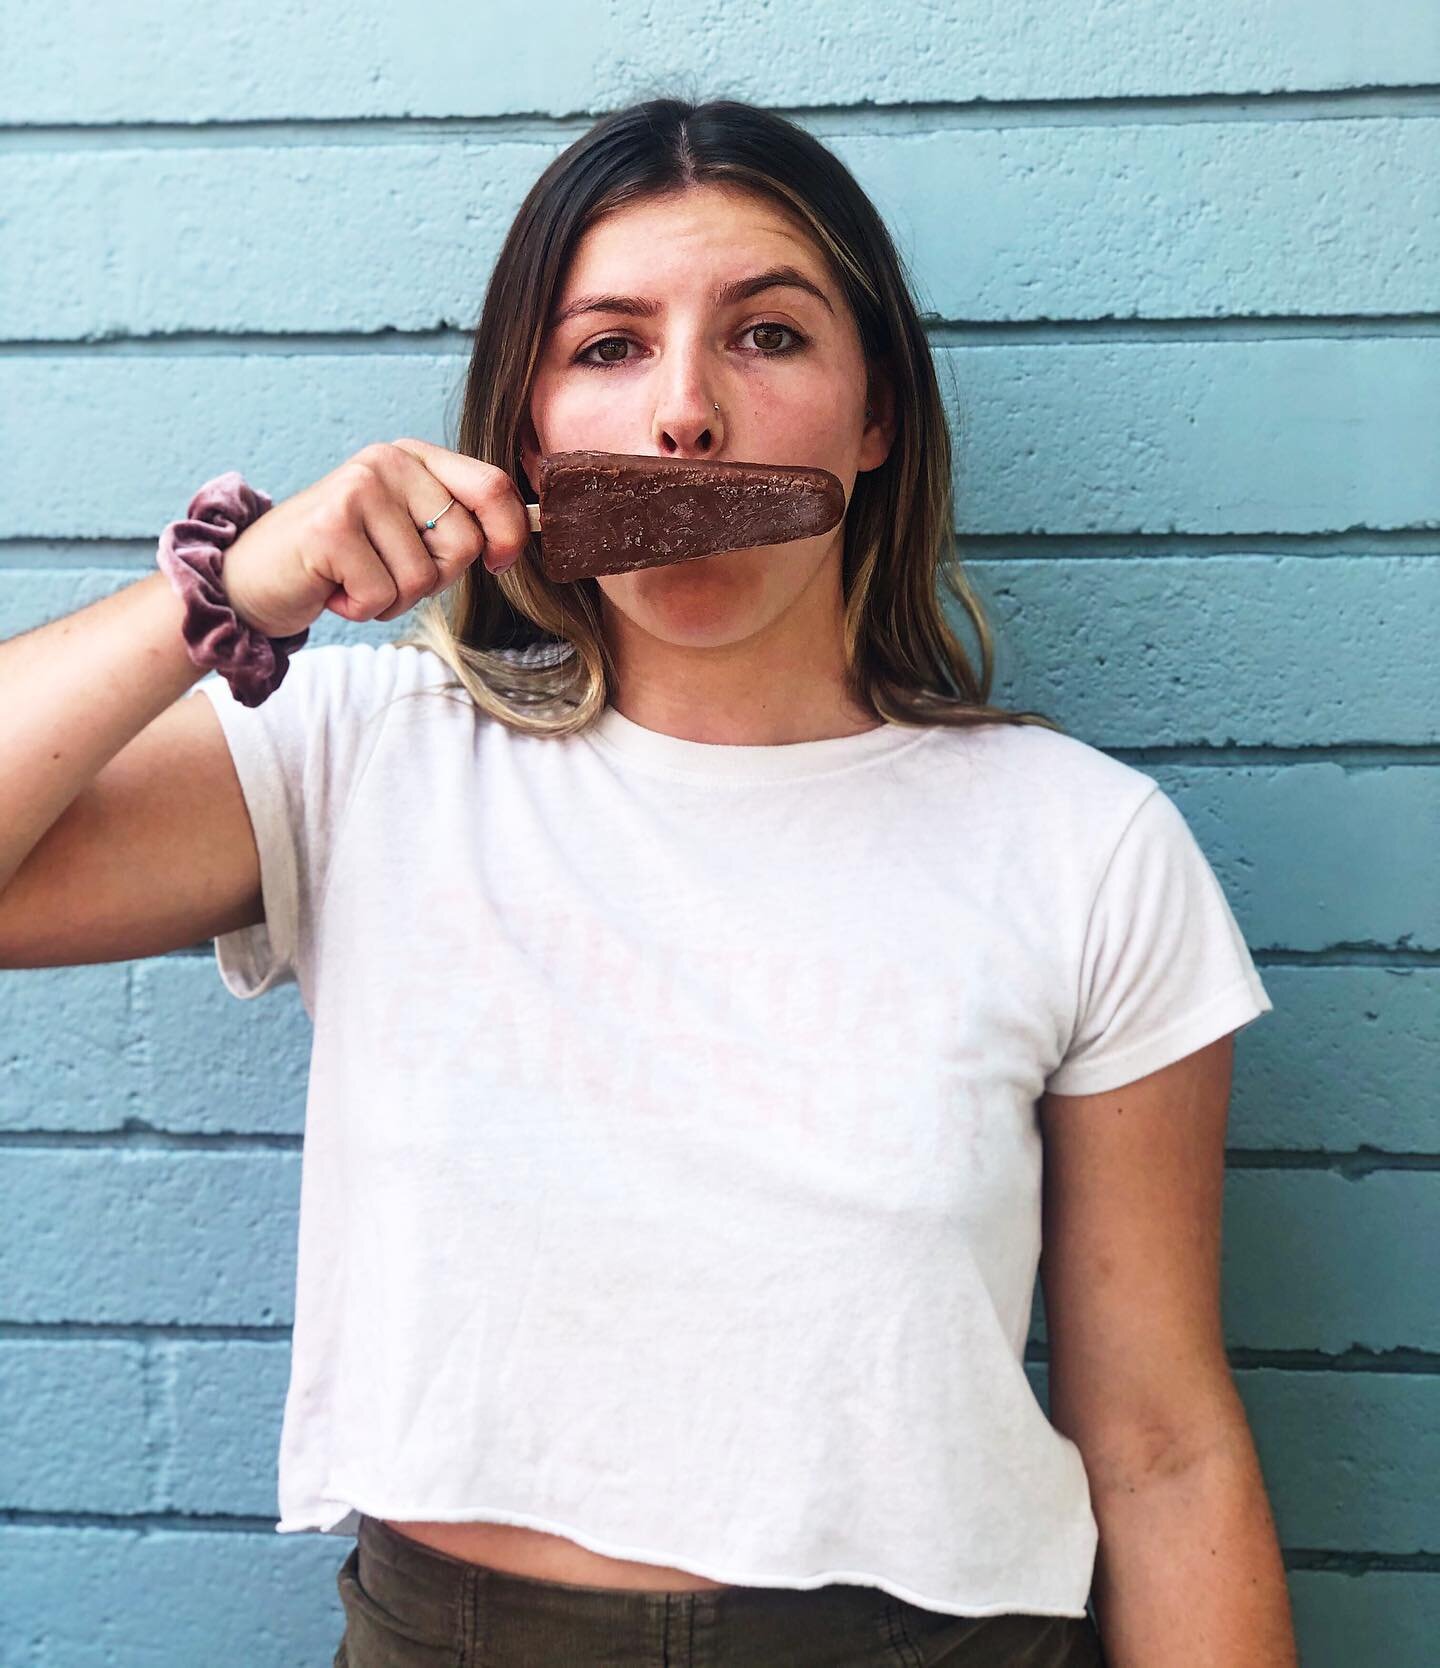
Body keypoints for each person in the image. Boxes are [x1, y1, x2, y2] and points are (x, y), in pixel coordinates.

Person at [0, 95, 1295, 1668]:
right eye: (608, 347)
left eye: (768, 336)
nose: (686, 413)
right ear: (529, 432)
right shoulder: (363, 755)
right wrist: (231, 588)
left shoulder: (1082, 844)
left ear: (874, 417)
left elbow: (1162, 1446)